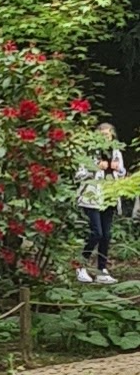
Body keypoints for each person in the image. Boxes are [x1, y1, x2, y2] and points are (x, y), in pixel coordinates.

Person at [75, 119, 127, 283]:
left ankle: (101, 270)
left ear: (112, 137)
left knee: (106, 235)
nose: (105, 138)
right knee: (96, 233)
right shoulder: (90, 152)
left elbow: (122, 173)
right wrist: (96, 167)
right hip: (92, 197)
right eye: (101, 135)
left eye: (107, 135)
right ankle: (81, 265)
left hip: (109, 197)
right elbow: (78, 175)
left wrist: (118, 169)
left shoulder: (116, 153)